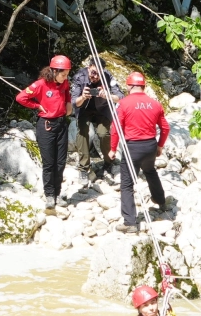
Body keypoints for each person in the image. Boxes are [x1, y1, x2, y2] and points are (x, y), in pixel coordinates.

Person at [108, 71, 169, 233]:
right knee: (150, 171)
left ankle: (129, 222)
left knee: (127, 184)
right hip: (150, 145)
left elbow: (115, 128)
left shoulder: (124, 103)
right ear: (143, 86)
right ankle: (161, 201)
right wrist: (160, 146)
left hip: (132, 147)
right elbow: (165, 127)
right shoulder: (155, 103)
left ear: (129, 86)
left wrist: (112, 149)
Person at [15, 55, 73, 211]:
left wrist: (68, 102)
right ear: (54, 71)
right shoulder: (41, 84)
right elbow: (21, 97)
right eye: (63, 74)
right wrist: (36, 106)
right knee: (49, 163)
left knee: (60, 163)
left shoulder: (64, 82)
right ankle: (49, 195)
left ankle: (57, 194)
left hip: (61, 124)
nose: (65, 77)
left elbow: (67, 92)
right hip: (46, 126)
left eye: (67, 74)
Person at [71, 60, 119, 178]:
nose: (95, 77)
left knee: (103, 133)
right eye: (93, 73)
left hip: (102, 109)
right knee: (83, 131)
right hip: (84, 108)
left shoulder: (109, 77)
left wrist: (108, 96)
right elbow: (74, 102)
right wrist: (83, 97)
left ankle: (108, 162)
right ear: (89, 68)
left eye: (99, 74)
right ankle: (84, 167)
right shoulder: (79, 77)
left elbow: (120, 97)